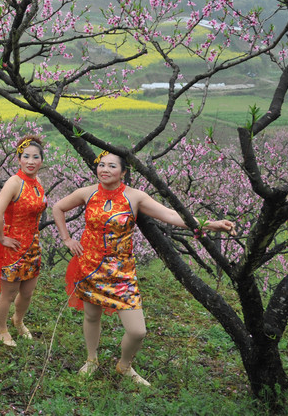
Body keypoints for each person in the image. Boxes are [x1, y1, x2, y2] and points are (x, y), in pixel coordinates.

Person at [52, 151, 235, 386]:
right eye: (101, 165)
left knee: (138, 331)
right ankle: (91, 360)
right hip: (90, 265)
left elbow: (170, 215)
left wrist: (210, 225)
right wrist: (67, 239)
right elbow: (58, 207)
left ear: (124, 172)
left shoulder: (135, 197)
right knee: (91, 315)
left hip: (121, 272)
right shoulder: (87, 193)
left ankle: (124, 365)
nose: (104, 170)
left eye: (111, 166)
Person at [0, 135, 47, 347]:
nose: (30, 161)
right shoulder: (14, 182)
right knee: (8, 293)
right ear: (19, 159)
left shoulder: (38, 183)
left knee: (27, 292)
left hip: (33, 245)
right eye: (25, 156)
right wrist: (1, 238)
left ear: (41, 161)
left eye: (35, 157)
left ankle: (18, 320)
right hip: (14, 246)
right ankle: (1, 329)